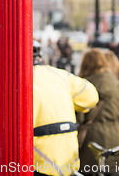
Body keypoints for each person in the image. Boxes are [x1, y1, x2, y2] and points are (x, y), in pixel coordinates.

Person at [33, 40, 99, 176]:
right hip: (68, 157)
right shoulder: (61, 75)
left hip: (37, 160)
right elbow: (91, 97)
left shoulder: (15, 77)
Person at [78, 48, 119, 175]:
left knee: (91, 170)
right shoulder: (117, 83)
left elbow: (80, 119)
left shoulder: (84, 84)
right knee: (110, 170)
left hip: (91, 135)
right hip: (114, 134)